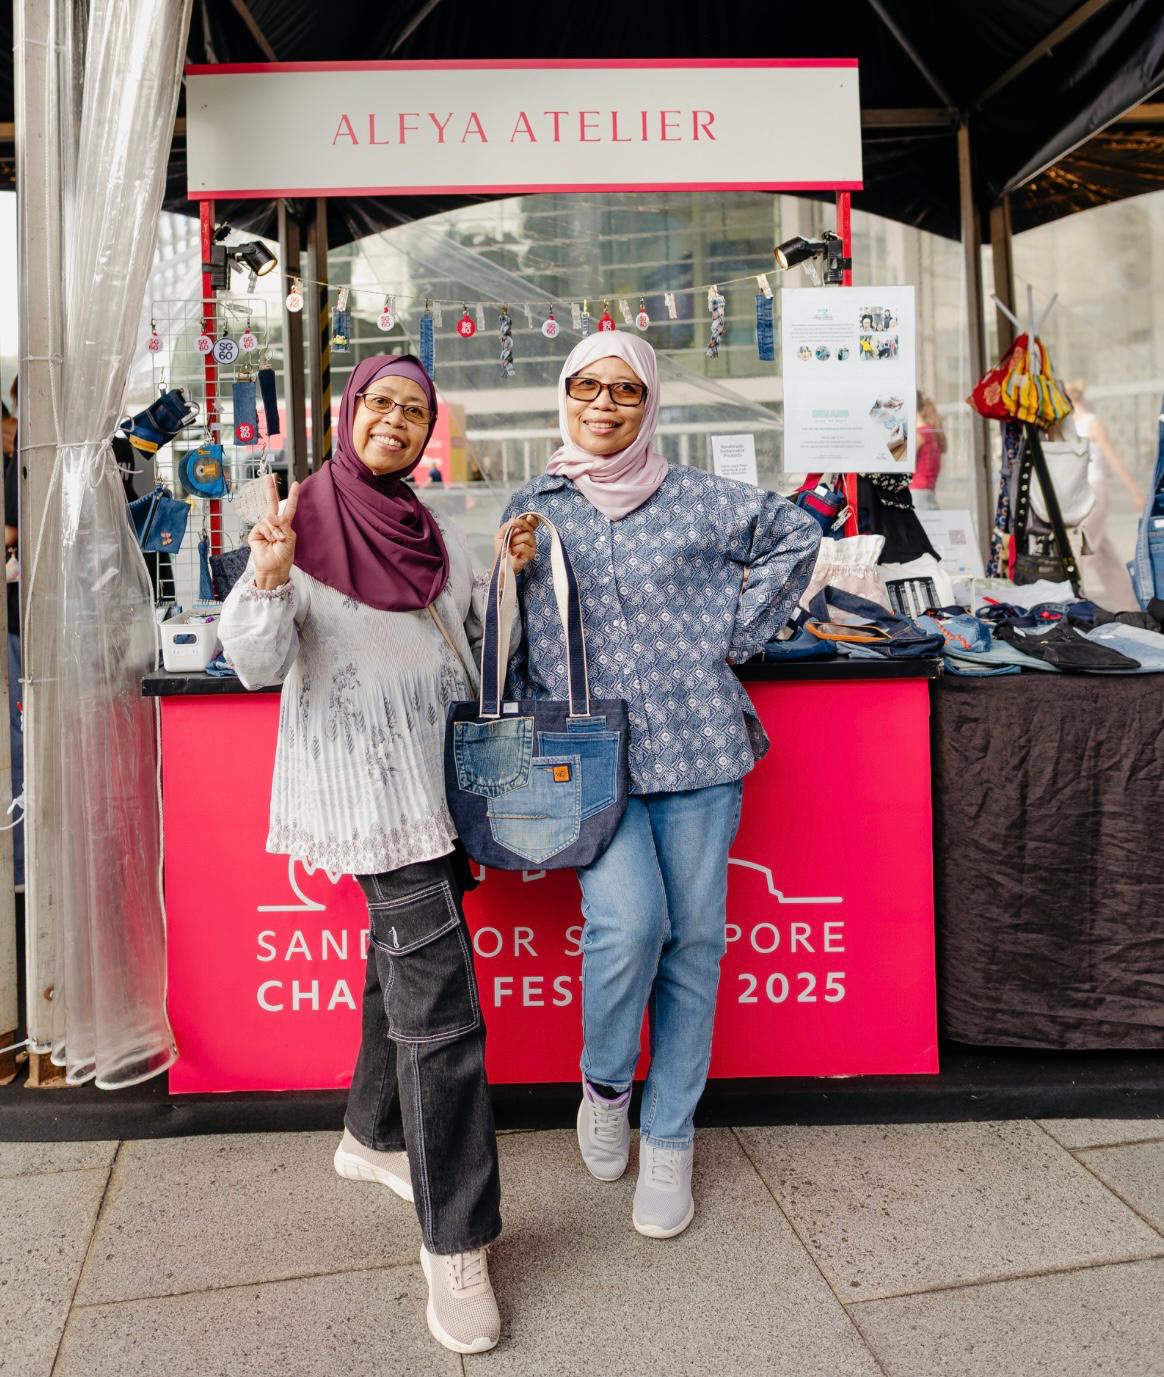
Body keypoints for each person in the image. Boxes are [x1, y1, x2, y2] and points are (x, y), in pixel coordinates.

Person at [218, 354, 536, 1356]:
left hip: (440, 787)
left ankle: (370, 1135)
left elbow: (478, 647)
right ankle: (457, 1241)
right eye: (381, 404)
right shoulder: (300, 525)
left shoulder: (428, 528)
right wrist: (269, 577)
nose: (395, 420)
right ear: (348, 413)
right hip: (369, 799)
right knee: (440, 1011)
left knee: (397, 968)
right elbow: (253, 662)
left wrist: (511, 579)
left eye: (414, 409)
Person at [500, 334, 819, 1239]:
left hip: (698, 746)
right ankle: (606, 1085)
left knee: (694, 945)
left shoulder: (702, 498)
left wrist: (736, 635)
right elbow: (513, 635)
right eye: (587, 386)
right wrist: (508, 573)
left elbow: (799, 533)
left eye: (625, 389)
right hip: (585, 758)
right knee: (631, 924)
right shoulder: (536, 506)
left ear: (649, 404)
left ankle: (671, 1134)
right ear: (565, 396)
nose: (604, 403)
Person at [1066, 381, 1140, 608]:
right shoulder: (1068, 425)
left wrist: (1134, 491)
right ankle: (1129, 605)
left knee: (1082, 548)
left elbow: (1113, 459)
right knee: (1102, 554)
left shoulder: (1093, 423)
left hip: (1094, 492)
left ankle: (1072, 601)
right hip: (1078, 493)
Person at [2, 398, 22, 888]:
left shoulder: (24, 451)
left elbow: (12, 531)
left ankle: (24, 864)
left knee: (24, 732)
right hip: (22, 618)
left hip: (26, 618)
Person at [910, 392, 947, 510]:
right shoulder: (929, 432)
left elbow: (900, 461)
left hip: (917, 493)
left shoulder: (920, 434)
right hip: (927, 492)